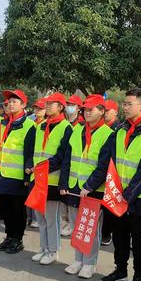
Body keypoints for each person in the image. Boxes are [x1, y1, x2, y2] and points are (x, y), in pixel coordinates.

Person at [101, 87, 141, 281]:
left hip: (139, 198)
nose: (125, 107)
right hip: (118, 194)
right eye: (124, 104)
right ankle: (120, 270)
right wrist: (116, 192)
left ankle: (138, 275)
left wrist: (128, 194)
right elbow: (112, 160)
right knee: (119, 235)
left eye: (129, 104)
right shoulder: (119, 130)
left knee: (139, 239)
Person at [60, 94, 114, 279]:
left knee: (90, 228)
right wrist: (64, 183)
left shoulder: (108, 134)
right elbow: (68, 158)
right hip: (74, 187)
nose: (87, 112)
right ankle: (78, 259)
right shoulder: (77, 130)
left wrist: (90, 185)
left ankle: (89, 263)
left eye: (92, 109)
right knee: (76, 226)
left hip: (93, 190)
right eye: (85, 109)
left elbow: (104, 165)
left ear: (102, 111)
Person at [29, 92, 72, 265]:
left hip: (52, 180)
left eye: (50, 104)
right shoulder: (42, 126)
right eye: (46, 104)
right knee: (40, 218)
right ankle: (44, 247)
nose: (47, 107)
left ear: (60, 107)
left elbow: (62, 156)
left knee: (52, 219)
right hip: (37, 178)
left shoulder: (66, 127)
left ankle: (53, 251)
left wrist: (42, 168)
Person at [0, 89, 35, 254]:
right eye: (8, 102)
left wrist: (27, 176)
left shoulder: (29, 125)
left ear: (23, 105)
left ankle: (17, 239)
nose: (10, 104)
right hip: (2, 174)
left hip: (18, 177)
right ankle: (9, 236)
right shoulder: (4, 123)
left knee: (18, 211)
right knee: (6, 209)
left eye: (14, 102)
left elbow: (30, 152)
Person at [59, 94, 84, 236]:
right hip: (66, 167)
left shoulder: (79, 126)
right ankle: (65, 223)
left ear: (78, 108)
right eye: (68, 104)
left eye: (72, 105)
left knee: (73, 203)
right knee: (64, 202)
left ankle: (71, 225)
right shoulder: (65, 123)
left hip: (77, 171)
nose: (69, 107)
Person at [101, 99, 120, 245]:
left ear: (115, 112)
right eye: (103, 110)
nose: (105, 113)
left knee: (109, 208)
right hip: (101, 173)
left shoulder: (117, 129)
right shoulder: (100, 128)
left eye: (108, 110)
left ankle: (107, 234)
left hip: (112, 174)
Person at [26, 98, 46, 228]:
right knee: (30, 192)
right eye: (36, 108)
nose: (37, 111)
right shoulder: (32, 124)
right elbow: (30, 148)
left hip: (42, 167)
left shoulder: (45, 125)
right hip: (32, 165)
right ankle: (29, 217)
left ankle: (35, 218)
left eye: (40, 108)